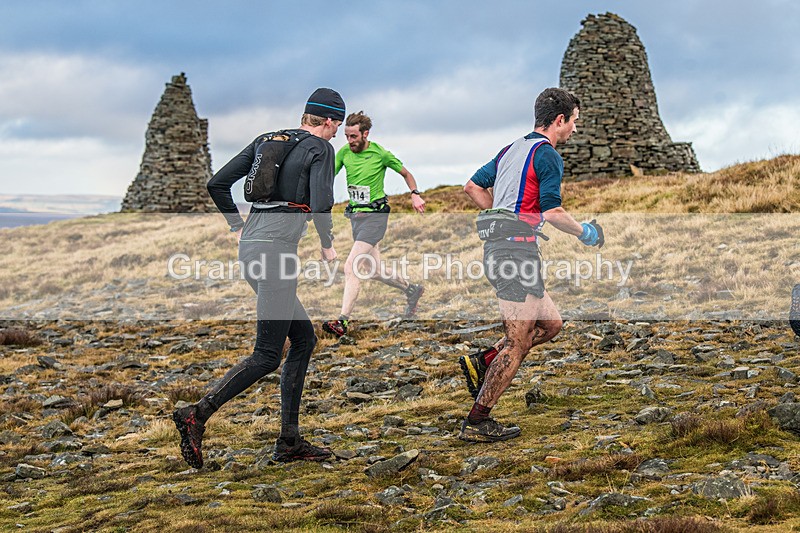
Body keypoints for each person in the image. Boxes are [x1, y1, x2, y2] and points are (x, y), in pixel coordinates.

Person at [172, 88, 345, 467]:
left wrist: (237, 226)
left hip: (251, 247)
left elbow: (217, 183)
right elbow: (321, 202)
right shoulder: (321, 148)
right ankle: (196, 414)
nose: (337, 133)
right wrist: (327, 244)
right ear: (330, 121)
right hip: (277, 254)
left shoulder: (268, 140)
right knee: (267, 354)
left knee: (303, 338)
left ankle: (289, 441)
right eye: (338, 126)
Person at [457, 87, 604, 442]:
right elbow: (552, 212)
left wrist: (501, 216)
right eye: (574, 121)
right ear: (559, 119)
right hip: (513, 255)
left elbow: (472, 187)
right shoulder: (548, 155)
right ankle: (477, 421)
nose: (574, 129)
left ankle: (484, 361)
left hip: (510, 251)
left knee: (551, 324)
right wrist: (586, 233)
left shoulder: (512, 149)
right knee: (517, 343)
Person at [321, 111, 426, 338]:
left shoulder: (380, 154)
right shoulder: (344, 153)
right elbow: (327, 175)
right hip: (356, 218)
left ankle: (343, 321)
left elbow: (407, 174)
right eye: (347, 136)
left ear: (365, 134)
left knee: (352, 266)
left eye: (353, 136)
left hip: (376, 217)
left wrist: (415, 194)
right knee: (373, 271)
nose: (350, 141)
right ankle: (412, 289)